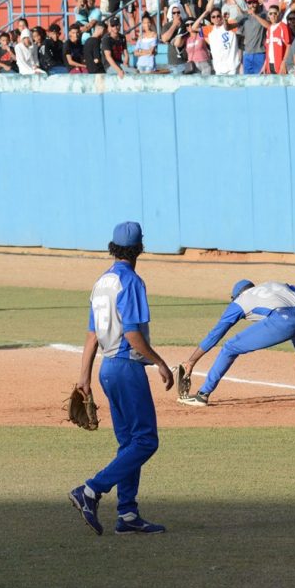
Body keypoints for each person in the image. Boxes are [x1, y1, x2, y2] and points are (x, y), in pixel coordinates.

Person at [69, 221, 174, 536]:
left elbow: (91, 336)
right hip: (127, 367)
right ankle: (90, 490)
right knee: (146, 440)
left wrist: (84, 378)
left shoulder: (102, 282)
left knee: (128, 443)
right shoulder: (131, 281)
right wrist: (160, 363)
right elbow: (132, 333)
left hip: (106, 369)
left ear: (112, 247)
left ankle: (127, 514)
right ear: (140, 248)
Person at [177, 280, 295, 407]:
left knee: (230, 347)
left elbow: (215, 334)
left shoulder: (239, 301)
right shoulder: (274, 284)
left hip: (282, 321)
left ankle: (203, 394)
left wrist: (191, 361)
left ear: (236, 295)